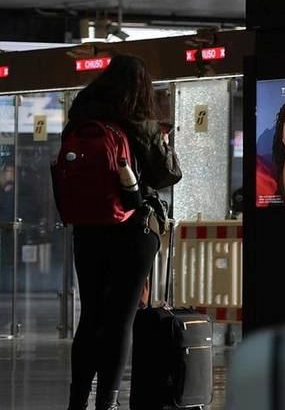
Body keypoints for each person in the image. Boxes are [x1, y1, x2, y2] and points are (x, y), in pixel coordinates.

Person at [65, 54, 181, 410]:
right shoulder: (138, 119)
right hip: (131, 227)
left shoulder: (81, 115)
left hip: (87, 228)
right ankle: (107, 403)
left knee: (91, 317)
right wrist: (164, 140)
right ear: (141, 87)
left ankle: (77, 401)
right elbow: (167, 175)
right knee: (120, 320)